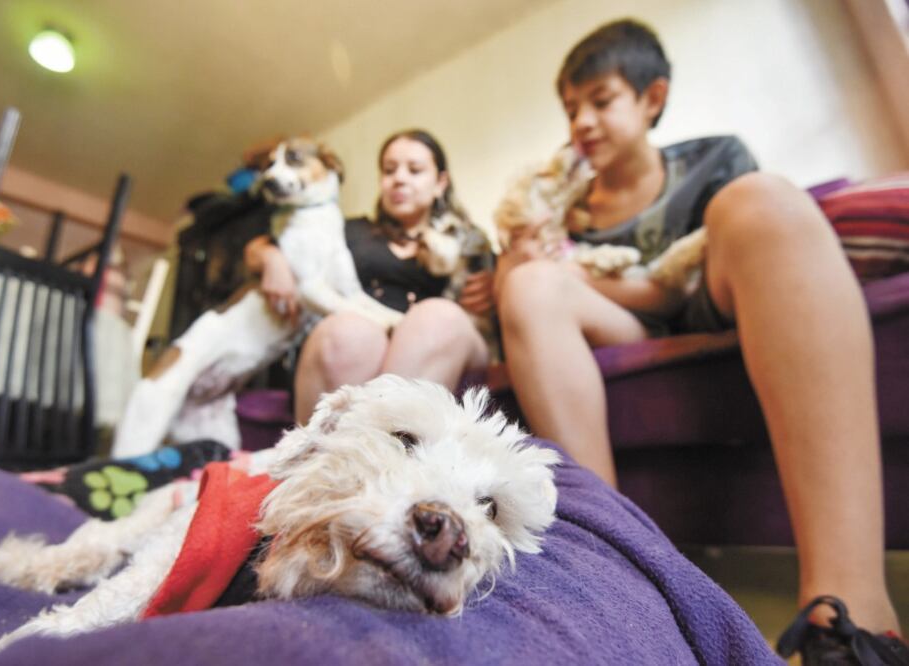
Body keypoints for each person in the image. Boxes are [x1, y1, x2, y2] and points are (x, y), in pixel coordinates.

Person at [493, 19, 906, 665]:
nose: (582, 123)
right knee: (527, 285)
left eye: (600, 101)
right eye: (572, 110)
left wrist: (584, 271)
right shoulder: (565, 211)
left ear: (652, 98)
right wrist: (521, 260)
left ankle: (849, 613)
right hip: (621, 321)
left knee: (762, 200)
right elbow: (550, 289)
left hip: (703, 295)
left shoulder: (715, 159)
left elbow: (676, 287)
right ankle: (618, 567)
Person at [244, 129, 493, 424]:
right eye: (389, 170)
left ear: (440, 183)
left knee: (437, 317)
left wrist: (495, 285)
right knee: (348, 332)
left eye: (414, 170)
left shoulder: (467, 241)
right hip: (360, 350)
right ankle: (335, 456)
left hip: (437, 350)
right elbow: (263, 245)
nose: (399, 178)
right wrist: (272, 259)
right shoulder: (349, 230)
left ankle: (381, 445)